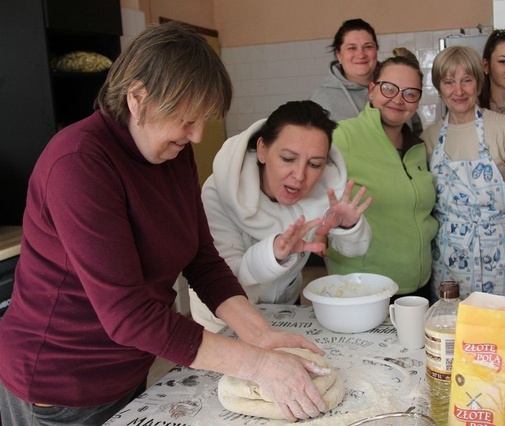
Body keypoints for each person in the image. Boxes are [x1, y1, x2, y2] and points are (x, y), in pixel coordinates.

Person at [0, 22, 330, 425]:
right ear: (137, 98)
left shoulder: (172, 156)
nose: (196, 136)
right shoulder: (79, 165)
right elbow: (128, 315)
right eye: (186, 119)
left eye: (203, 120)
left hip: (129, 369)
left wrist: (259, 335)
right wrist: (258, 365)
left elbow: (202, 260)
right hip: (60, 385)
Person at [189, 100, 372, 332]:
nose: (299, 176)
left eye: (314, 164)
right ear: (263, 150)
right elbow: (224, 279)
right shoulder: (220, 190)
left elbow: (354, 250)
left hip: (284, 309)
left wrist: (349, 227)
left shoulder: (323, 192)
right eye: (287, 159)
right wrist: (273, 253)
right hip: (223, 318)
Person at [422, 46, 505, 301]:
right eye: (449, 82)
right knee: (453, 331)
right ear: (439, 87)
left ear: (479, 81)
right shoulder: (429, 138)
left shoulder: (504, 128)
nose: (459, 91)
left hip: (503, 258)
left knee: (501, 332)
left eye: (467, 80)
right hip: (449, 260)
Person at [327, 52, 438, 300]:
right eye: (389, 88)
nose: (398, 99)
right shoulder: (343, 136)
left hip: (417, 285)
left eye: (410, 93)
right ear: (372, 90)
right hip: (365, 286)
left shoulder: (417, 148)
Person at [309, 19, 423, 134]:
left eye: (368, 47)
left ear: (376, 50)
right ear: (338, 54)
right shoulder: (321, 101)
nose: (361, 54)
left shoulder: (397, 86)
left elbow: (415, 133)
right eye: (352, 48)